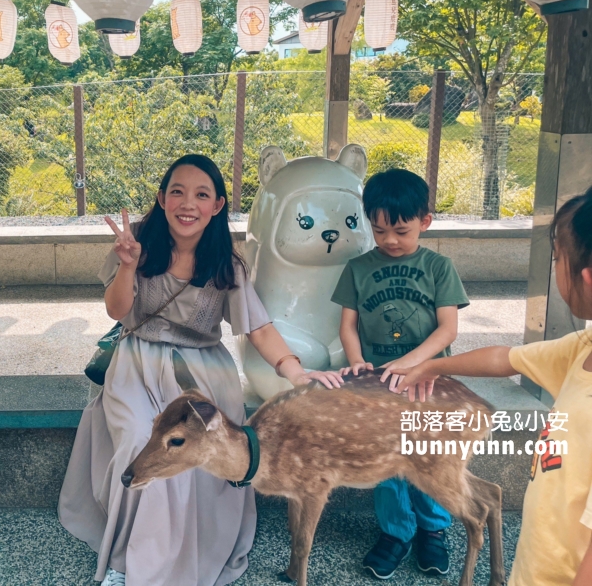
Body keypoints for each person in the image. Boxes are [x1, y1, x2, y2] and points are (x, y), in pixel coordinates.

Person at [58, 155, 343, 586]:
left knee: (200, 446)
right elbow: (117, 310)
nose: (187, 203)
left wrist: (295, 372)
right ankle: (127, 559)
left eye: (201, 194)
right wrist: (128, 266)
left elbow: (260, 328)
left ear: (217, 205)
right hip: (138, 362)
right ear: (161, 198)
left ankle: (193, 542)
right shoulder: (136, 241)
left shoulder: (226, 261)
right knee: (142, 441)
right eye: (177, 191)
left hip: (203, 374)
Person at [393, 185, 592, 586]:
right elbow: (505, 358)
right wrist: (432, 366)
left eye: (557, 258)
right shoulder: (581, 349)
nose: (555, 270)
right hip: (535, 567)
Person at [330, 168, 470, 579]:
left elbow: (448, 329)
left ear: (425, 221)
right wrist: (356, 360)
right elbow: (347, 326)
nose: (390, 240)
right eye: (379, 231)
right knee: (387, 465)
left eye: (401, 231)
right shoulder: (357, 269)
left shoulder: (439, 267)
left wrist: (415, 363)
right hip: (379, 388)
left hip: (429, 384)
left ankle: (433, 531)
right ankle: (395, 533)